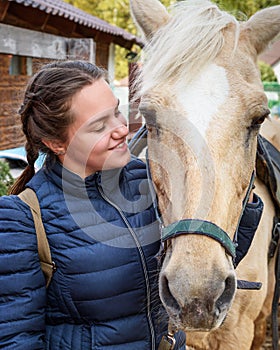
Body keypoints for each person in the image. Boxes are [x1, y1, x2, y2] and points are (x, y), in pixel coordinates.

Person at [0, 60, 263, 350]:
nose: (122, 129)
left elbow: (200, 264)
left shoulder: (148, 180)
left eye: (116, 111)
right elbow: (17, 340)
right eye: (99, 126)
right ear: (56, 143)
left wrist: (243, 200)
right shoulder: (22, 218)